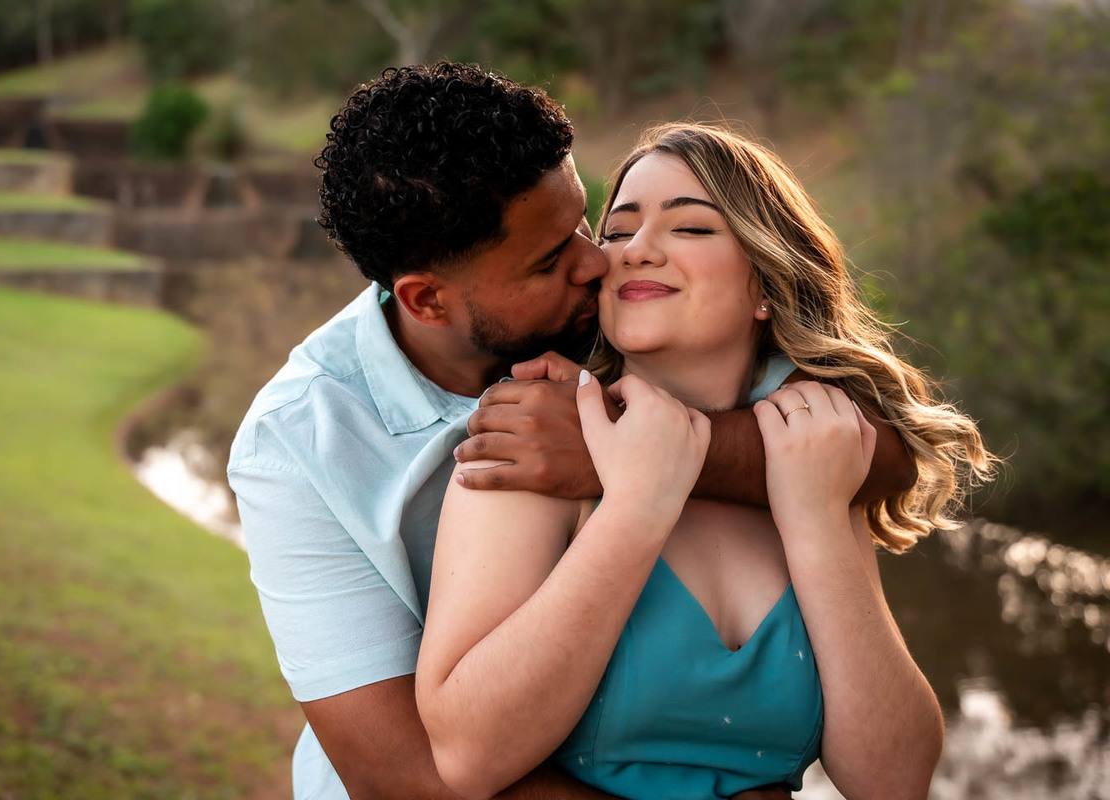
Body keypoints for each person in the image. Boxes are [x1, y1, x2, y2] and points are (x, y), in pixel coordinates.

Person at [229, 63, 914, 800]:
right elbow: (406, 774)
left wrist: (642, 454)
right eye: (556, 257)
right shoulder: (296, 445)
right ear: (428, 301)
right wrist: (635, 495)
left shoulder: (615, 321)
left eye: (588, 222)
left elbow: (886, 451)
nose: (602, 260)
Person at [416, 124, 995, 800]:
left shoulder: (812, 461)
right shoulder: (534, 444)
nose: (635, 250)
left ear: (767, 284)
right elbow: (469, 756)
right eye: (617, 232)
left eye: (690, 228)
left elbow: (893, 781)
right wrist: (635, 508)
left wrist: (814, 518)